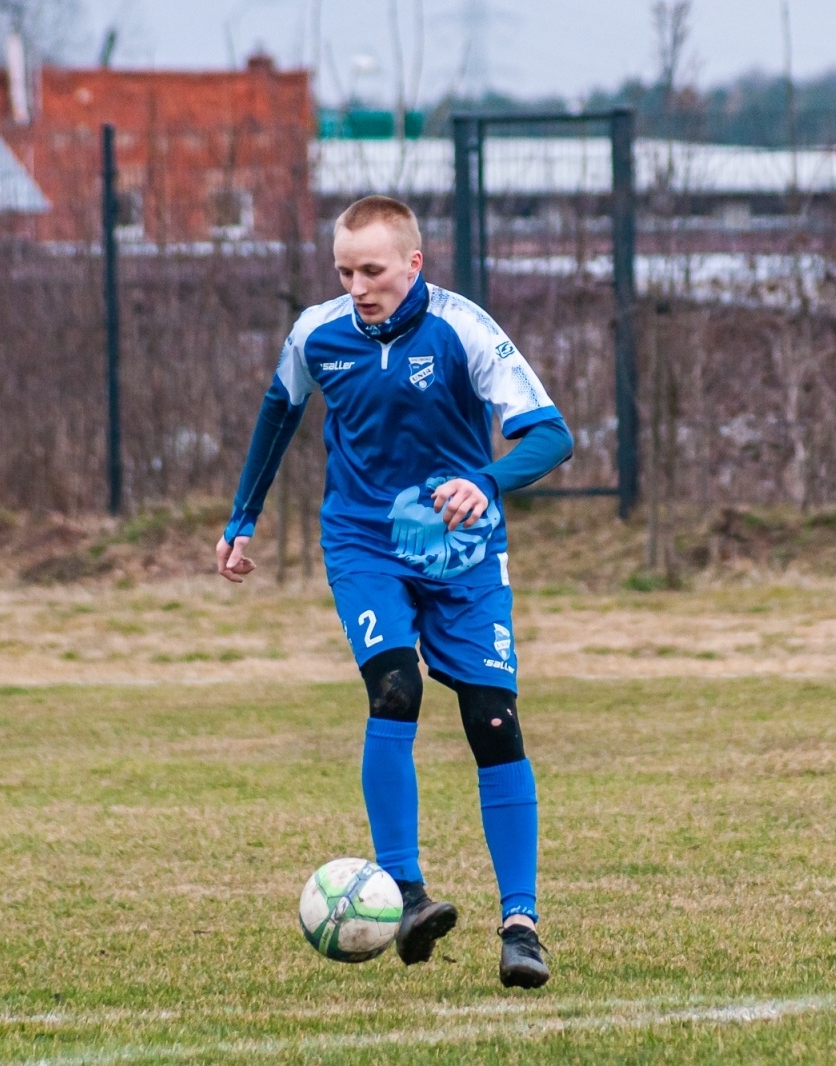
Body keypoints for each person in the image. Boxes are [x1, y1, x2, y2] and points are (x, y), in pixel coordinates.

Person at [215, 194, 573, 988]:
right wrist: (244, 517)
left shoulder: (462, 327)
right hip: (365, 541)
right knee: (395, 686)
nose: (357, 285)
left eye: (372, 269)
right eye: (344, 270)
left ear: (414, 264)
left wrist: (485, 480)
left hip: (463, 550)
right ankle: (406, 894)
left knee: (492, 718)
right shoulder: (318, 332)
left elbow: (552, 434)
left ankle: (521, 926)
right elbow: (278, 413)